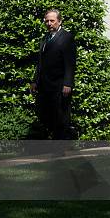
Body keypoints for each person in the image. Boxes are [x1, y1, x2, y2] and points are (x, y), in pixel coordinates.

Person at [30, 9, 76, 139]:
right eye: (47, 21)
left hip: (60, 85)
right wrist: (35, 81)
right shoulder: (45, 38)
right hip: (45, 86)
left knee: (61, 117)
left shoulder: (67, 37)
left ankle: (62, 149)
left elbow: (70, 62)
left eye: (52, 21)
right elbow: (40, 62)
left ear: (59, 21)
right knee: (47, 116)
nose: (49, 23)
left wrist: (68, 83)